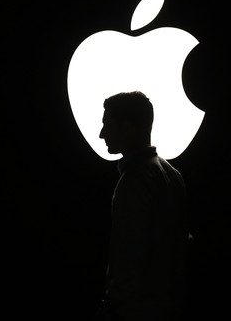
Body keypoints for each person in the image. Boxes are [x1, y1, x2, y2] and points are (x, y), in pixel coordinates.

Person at [93, 91, 189, 321]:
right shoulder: (172, 175)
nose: (101, 134)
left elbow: (128, 255)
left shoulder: (133, 182)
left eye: (108, 124)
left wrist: (115, 308)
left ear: (127, 128)